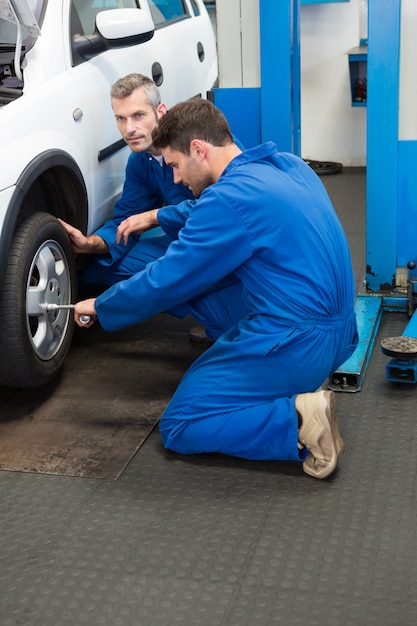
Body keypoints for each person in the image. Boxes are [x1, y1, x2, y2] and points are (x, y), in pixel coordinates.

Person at [74, 99, 358, 479]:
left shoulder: (225, 200)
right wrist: (157, 215)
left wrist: (102, 305)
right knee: (206, 291)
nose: (174, 179)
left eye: (174, 165)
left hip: (300, 339)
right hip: (342, 331)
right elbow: (203, 217)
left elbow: (167, 279)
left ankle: (297, 421)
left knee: (181, 424)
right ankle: (277, 380)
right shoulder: (287, 165)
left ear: (198, 149)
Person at [60, 72, 243, 341]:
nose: (128, 129)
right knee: (112, 267)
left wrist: (156, 216)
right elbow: (127, 218)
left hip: (223, 244)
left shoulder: (204, 144)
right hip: (185, 242)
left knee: (188, 276)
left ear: (160, 111)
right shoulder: (140, 163)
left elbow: (229, 205)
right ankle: (208, 310)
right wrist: (91, 243)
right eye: (120, 119)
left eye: (138, 116)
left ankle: (226, 318)